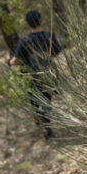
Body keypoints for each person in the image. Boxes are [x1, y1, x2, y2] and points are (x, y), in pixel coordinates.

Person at [8, 10, 62, 139]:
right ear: (41, 20)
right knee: (46, 101)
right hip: (48, 74)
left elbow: (15, 61)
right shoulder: (49, 36)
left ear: (27, 23)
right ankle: (47, 126)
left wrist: (9, 61)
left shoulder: (24, 41)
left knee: (35, 102)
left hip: (31, 77)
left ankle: (42, 124)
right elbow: (57, 51)